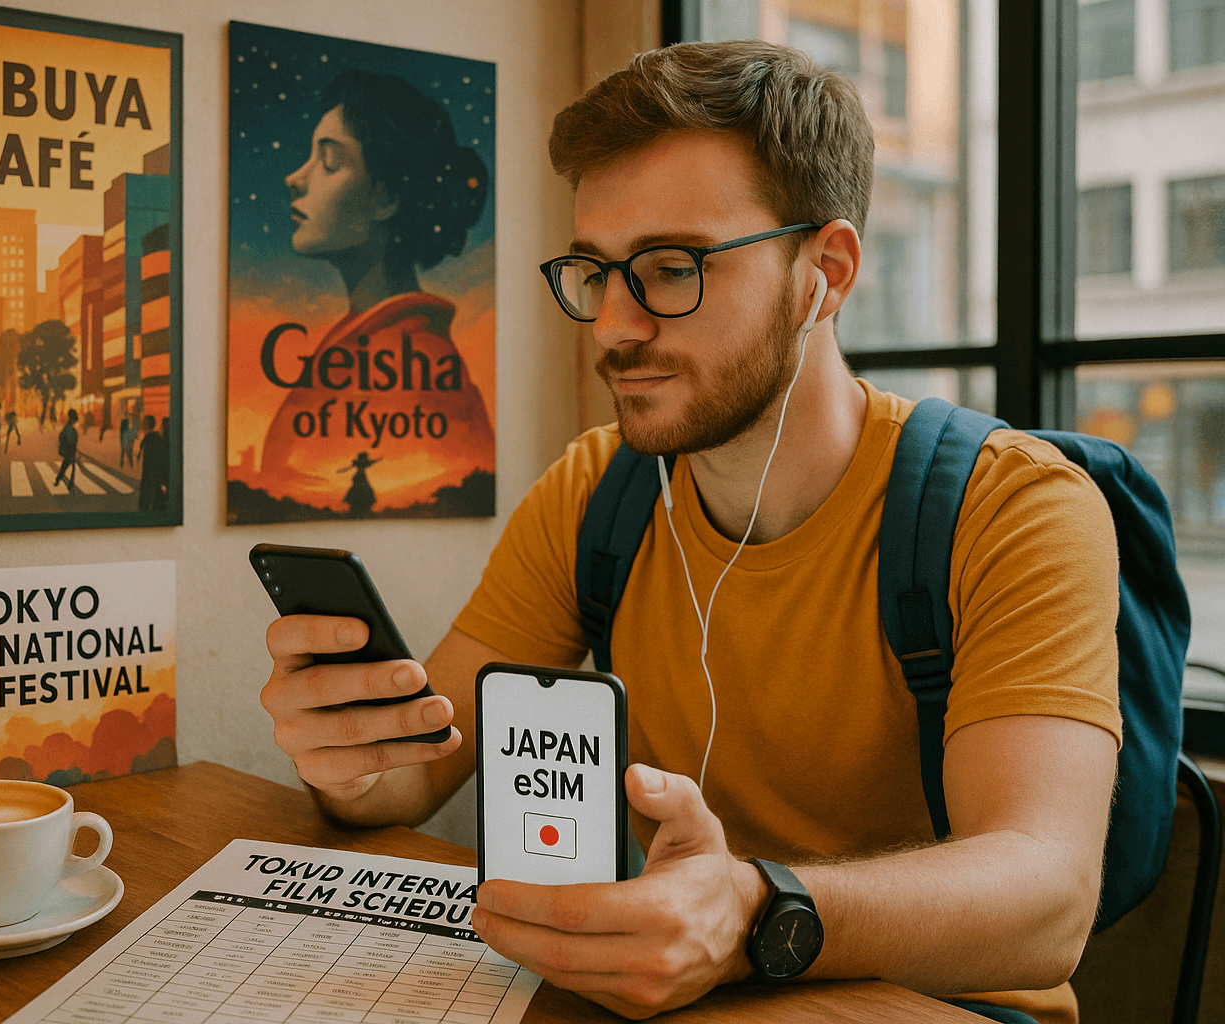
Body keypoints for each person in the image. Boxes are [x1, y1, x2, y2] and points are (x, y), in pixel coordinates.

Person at [258, 41, 1120, 1024]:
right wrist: (351, 758)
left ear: (824, 273)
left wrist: (755, 907)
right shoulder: (596, 492)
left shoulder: (1011, 507)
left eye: (671, 268)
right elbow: (413, 774)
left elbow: (1045, 903)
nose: (615, 326)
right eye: (595, 270)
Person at [255, 67, 496, 512]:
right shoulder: (366, 338)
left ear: (385, 196)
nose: (295, 177)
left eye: (329, 162)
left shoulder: (420, 362)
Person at [137, 414, 169, 511]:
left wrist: (156, 478)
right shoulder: (157, 438)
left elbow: (151, 460)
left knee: (148, 502)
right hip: (154, 476)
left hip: (150, 476)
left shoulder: (151, 439)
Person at [53, 409, 79, 489]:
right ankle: (66, 482)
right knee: (68, 465)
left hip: (68, 449)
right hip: (69, 449)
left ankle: (60, 479)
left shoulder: (68, 426)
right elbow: (68, 438)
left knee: (66, 465)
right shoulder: (69, 427)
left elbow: (62, 436)